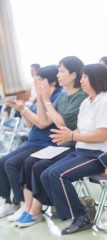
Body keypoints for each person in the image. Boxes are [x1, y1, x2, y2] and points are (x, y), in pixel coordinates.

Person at [41, 63, 107, 235]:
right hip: (83, 151)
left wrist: (72, 136)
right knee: (45, 173)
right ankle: (80, 206)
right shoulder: (86, 102)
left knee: (58, 175)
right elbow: (81, 130)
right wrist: (70, 133)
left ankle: (81, 216)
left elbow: (101, 135)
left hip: (101, 154)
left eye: (85, 77)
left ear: (96, 78)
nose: (81, 80)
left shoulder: (106, 101)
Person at [13, 56, 86, 227]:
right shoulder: (63, 97)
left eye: (62, 71)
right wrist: (40, 97)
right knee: (30, 162)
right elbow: (44, 121)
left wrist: (45, 99)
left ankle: (36, 210)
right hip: (59, 145)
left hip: (73, 145)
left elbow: (62, 124)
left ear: (74, 75)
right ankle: (29, 208)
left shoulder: (79, 96)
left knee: (37, 166)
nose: (58, 74)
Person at [0, 66, 63, 218]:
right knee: (2, 161)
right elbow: (30, 125)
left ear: (52, 82)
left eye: (40, 79)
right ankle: (8, 201)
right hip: (32, 140)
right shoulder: (40, 97)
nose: (37, 82)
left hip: (45, 143)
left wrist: (25, 108)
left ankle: (23, 204)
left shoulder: (56, 97)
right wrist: (22, 109)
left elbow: (42, 123)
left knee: (11, 164)